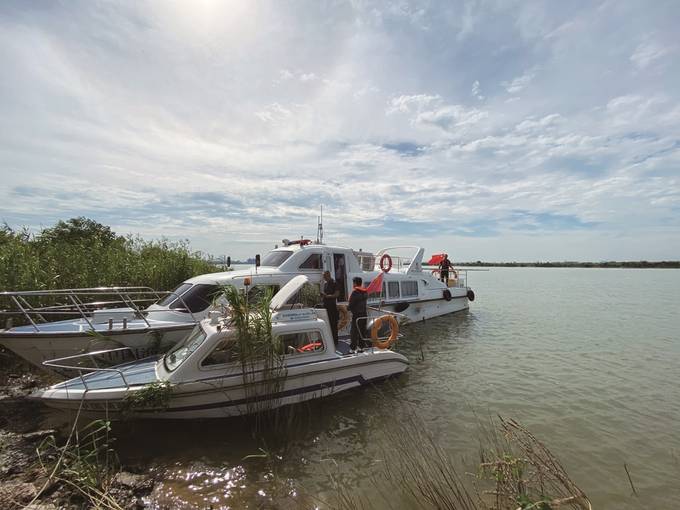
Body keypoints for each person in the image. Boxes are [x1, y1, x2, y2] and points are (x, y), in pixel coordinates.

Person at [348, 276, 368, 351]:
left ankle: (353, 348)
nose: (353, 284)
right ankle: (361, 347)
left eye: (353, 283)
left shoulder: (355, 293)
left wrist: (345, 308)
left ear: (355, 283)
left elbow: (350, 305)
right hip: (364, 314)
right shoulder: (365, 292)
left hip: (357, 315)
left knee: (354, 332)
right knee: (362, 331)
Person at [320, 270, 339, 345]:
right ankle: (329, 340)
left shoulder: (334, 283)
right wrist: (323, 295)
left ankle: (335, 341)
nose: (324, 278)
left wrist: (328, 296)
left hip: (332, 307)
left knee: (333, 324)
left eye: (324, 276)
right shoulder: (325, 284)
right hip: (326, 306)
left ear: (328, 275)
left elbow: (337, 294)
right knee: (327, 324)